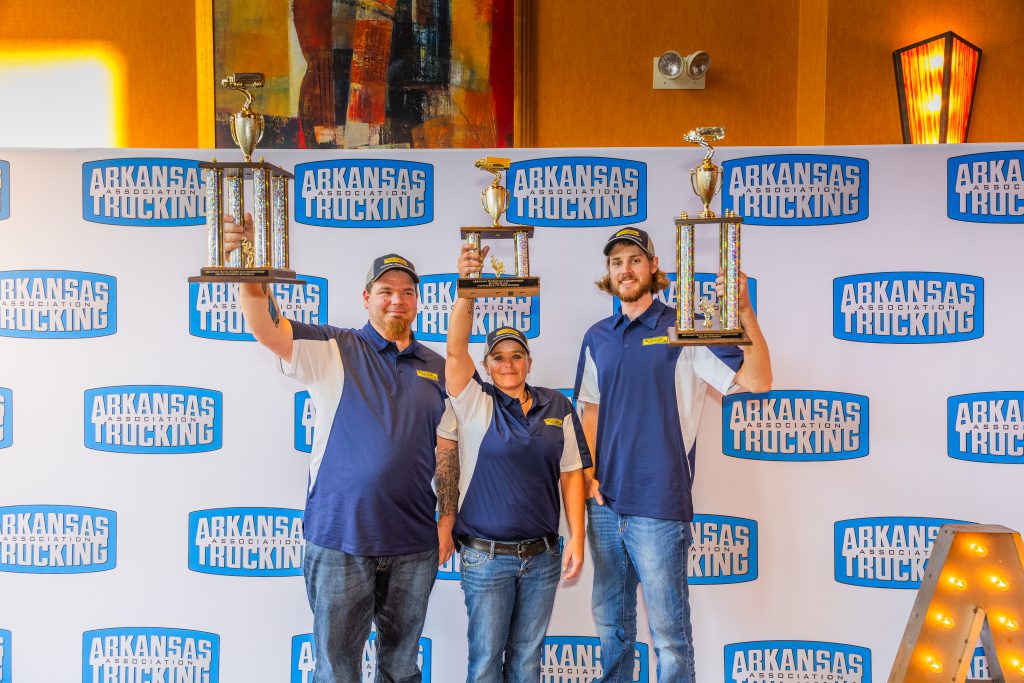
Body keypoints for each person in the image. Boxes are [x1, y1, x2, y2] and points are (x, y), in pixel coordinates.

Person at [225, 215, 460, 683]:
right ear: (366, 298)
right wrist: (247, 266)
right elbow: (268, 327)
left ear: (418, 301)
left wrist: (447, 522)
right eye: (385, 290)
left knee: (401, 668)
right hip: (339, 540)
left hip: (414, 542)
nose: (397, 299)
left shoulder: (437, 366)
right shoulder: (334, 347)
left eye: (407, 291)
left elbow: (447, 450)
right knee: (336, 669)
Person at [574, 227, 772, 683]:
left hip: (659, 506)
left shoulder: (684, 328)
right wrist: (588, 477)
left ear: (654, 267)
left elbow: (758, 381)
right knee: (612, 629)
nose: (626, 269)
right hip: (605, 508)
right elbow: (591, 410)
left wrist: (744, 311)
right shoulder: (597, 336)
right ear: (608, 273)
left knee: (669, 638)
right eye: (616, 262)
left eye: (635, 260)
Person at [445, 242, 590, 683]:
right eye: (498, 358)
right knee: (487, 661)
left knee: (527, 662)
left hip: (543, 557)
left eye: (516, 355)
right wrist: (466, 291)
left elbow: (571, 474)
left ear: (529, 360)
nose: (508, 364)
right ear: (486, 366)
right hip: (485, 558)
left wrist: (578, 538)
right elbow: (454, 353)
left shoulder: (556, 405)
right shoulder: (475, 403)